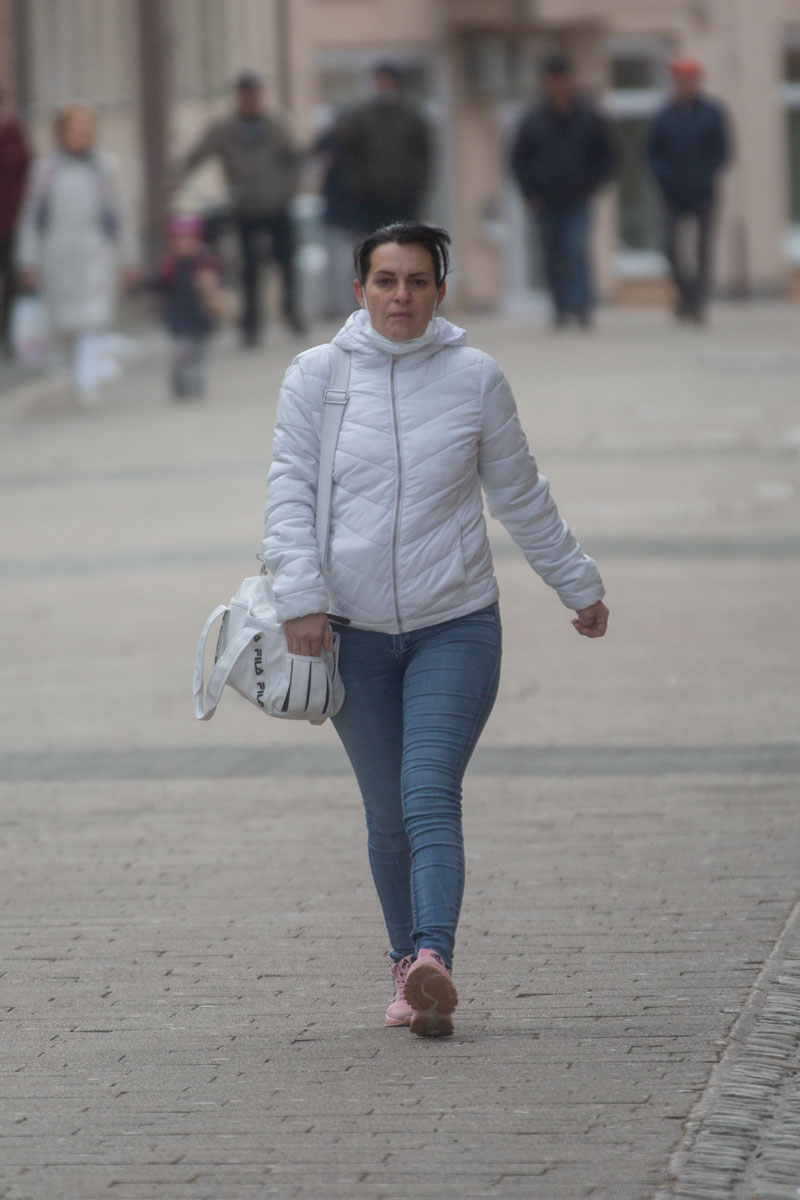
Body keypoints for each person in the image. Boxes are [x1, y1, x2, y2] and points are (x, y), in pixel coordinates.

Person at [263, 222, 609, 1038]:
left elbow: (520, 493)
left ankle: (433, 958)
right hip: (351, 634)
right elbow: (289, 493)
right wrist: (300, 598)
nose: (401, 297)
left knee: (427, 791)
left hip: (455, 624)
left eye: (418, 282)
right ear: (360, 290)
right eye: (385, 281)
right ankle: (404, 968)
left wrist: (578, 584)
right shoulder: (316, 376)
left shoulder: (474, 378)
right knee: (387, 812)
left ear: (440, 292)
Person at [15, 104, 138, 400]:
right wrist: (27, 258)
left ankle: (87, 381)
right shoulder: (45, 170)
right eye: (75, 128)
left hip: (96, 254)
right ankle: (75, 372)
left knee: (94, 319)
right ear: (61, 132)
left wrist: (129, 257)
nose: (82, 134)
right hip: (57, 256)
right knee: (65, 323)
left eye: (86, 128)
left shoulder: (104, 168)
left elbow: (120, 215)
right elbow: (32, 216)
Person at [176, 71, 303, 347]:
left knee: (286, 263)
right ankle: (251, 325)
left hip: (278, 205)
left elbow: (294, 159)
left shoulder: (275, 124)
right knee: (249, 269)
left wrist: (289, 190)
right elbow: (198, 154)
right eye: (247, 95)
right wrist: (176, 176)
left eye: (255, 95)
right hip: (246, 208)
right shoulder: (225, 128)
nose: (251, 100)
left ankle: (291, 311)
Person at [510, 54, 616, 328]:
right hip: (544, 200)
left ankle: (581, 307)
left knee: (576, 250)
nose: (558, 86)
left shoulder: (589, 117)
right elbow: (518, 160)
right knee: (552, 255)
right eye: (553, 81)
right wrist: (529, 192)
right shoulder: (533, 119)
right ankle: (560, 308)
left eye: (562, 80)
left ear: (571, 81)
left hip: (578, 198)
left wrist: (592, 185)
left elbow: (607, 155)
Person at [647, 56, 730, 324]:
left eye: (690, 79)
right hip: (672, 193)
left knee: (703, 248)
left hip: (704, 191)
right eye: (681, 79)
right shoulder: (664, 115)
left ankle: (698, 302)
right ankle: (686, 293)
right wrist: (664, 178)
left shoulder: (712, 113)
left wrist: (704, 176)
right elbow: (652, 153)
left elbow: (722, 151)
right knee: (669, 245)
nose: (685, 84)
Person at [333, 61, 432, 233]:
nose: (382, 85)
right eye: (378, 80)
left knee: (405, 237)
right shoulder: (361, 115)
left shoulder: (411, 114)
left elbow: (423, 151)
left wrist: (416, 183)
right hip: (371, 196)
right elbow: (350, 152)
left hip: (404, 193)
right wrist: (359, 185)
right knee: (376, 238)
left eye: (385, 80)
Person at [154, 213, 223, 399]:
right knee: (182, 354)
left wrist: (213, 286)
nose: (183, 244)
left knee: (200, 356)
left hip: (202, 319)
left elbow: (221, 283)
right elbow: (160, 286)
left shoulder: (206, 262)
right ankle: (180, 382)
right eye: (178, 239)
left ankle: (197, 384)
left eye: (187, 239)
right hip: (179, 320)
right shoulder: (170, 266)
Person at [0, 86, 31, 358]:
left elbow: (26, 175)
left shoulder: (12, 133)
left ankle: (7, 333)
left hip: (9, 224)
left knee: (11, 280)